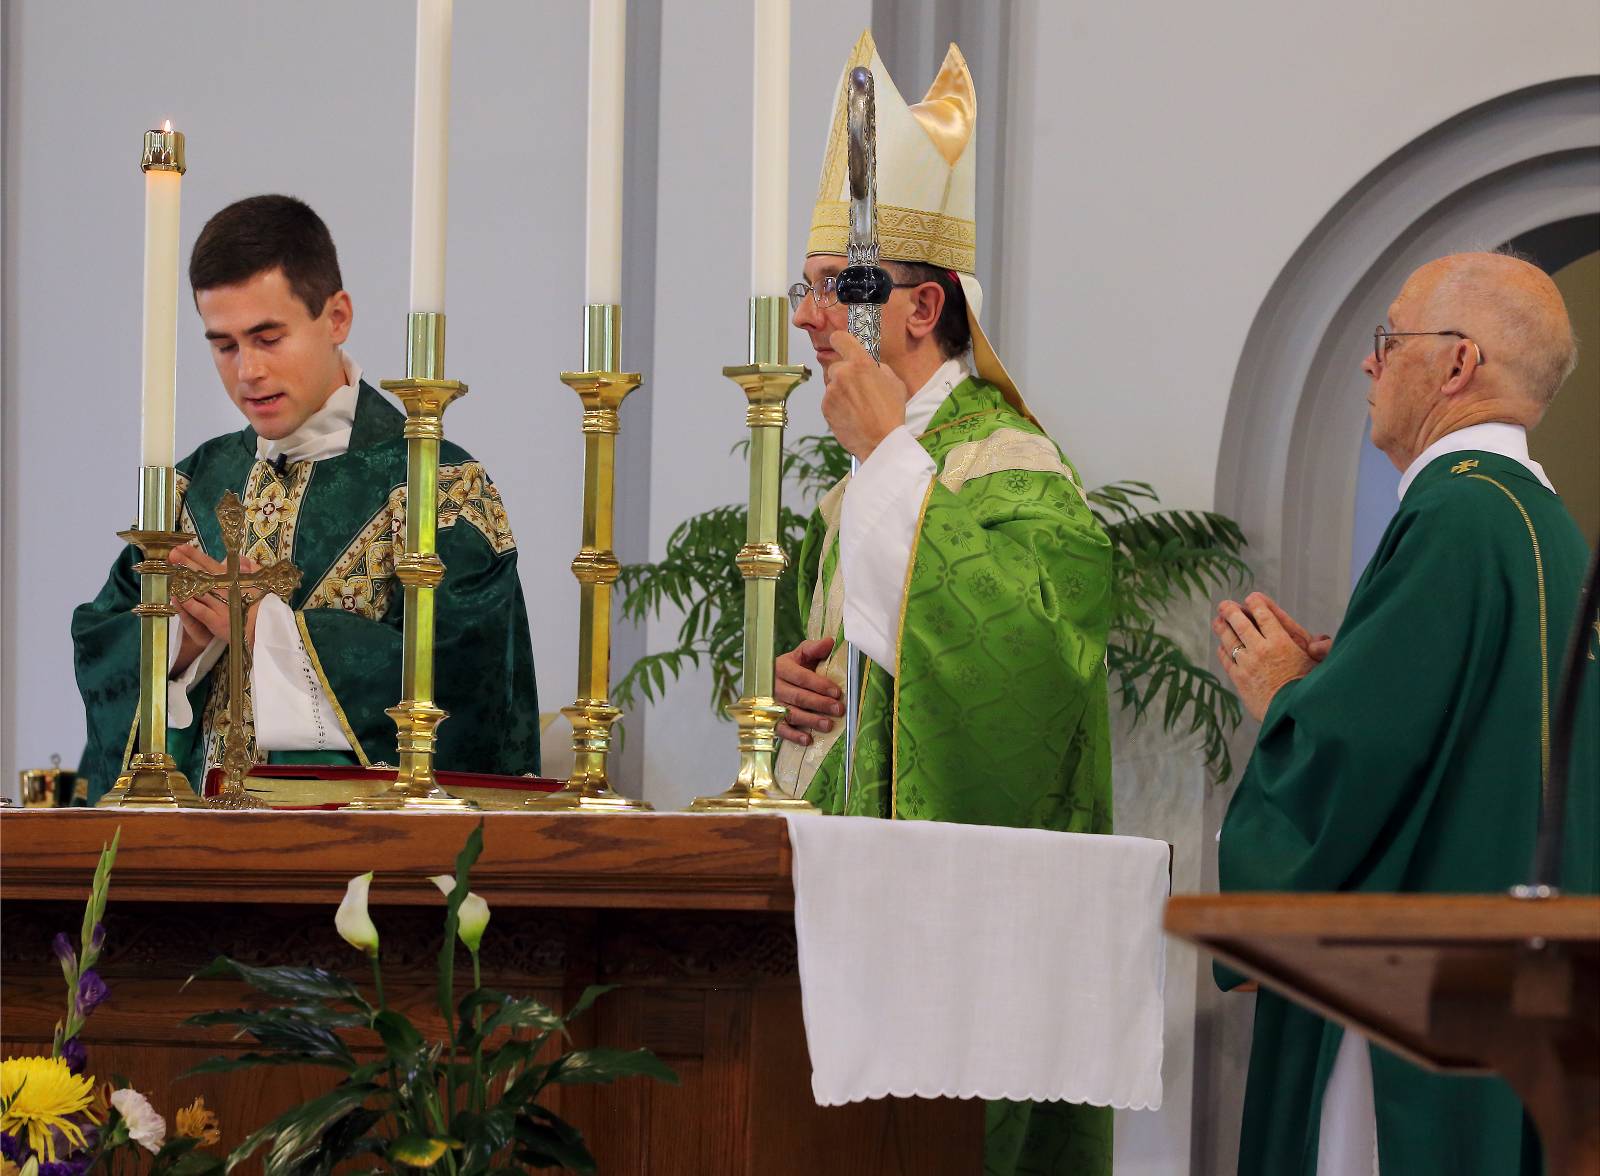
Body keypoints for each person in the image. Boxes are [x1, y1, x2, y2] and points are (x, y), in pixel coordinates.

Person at [771, 32, 1116, 1176]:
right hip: (845, 912)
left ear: (922, 308)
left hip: (958, 940)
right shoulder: (863, 484)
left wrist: (885, 460)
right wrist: (793, 699)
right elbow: (856, 693)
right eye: (806, 287)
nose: (808, 317)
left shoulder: (1010, 467)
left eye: (838, 287)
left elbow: (1028, 672)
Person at [1212, 250, 1598, 1176]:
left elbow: (1354, 767)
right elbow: (1467, 730)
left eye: (1389, 338)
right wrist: (1348, 674)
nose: (1369, 360)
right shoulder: (1546, 528)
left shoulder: (1456, 517)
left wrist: (1284, 696)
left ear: (1458, 363)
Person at [73, 195, 539, 799]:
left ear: (337, 317)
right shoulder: (192, 486)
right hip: (194, 842)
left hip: (356, 845)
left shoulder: (439, 488)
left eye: (268, 338)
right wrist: (181, 643)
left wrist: (266, 629)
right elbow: (101, 652)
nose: (247, 371)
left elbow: (475, 694)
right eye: (224, 345)